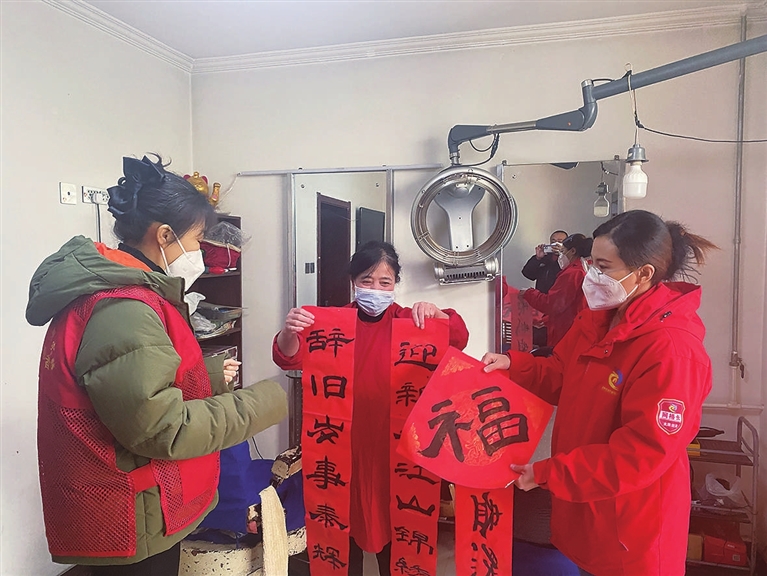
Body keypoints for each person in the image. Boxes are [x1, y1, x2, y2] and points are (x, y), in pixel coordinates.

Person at [26, 155, 288, 575]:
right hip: (131, 511)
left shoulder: (124, 291)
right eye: (198, 240)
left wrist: (206, 377)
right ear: (165, 235)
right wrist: (265, 401)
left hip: (133, 502)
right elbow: (162, 428)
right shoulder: (123, 308)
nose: (202, 253)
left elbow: (131, 384)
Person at [482, 210, 716, 576]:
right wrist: (512, 365)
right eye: (592, 263)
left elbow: (640, 454)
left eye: (603, 268)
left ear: (644, 274)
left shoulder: (670, 350)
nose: (591, 276)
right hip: (590, 516)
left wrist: (549, 473)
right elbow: (560, 373)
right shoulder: (599, 321)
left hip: (631, 532)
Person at [273, 241, 469, 576]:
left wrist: (439, 314)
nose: (375, 290)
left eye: (384, 282)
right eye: (367, 280)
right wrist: (289, 331)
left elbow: (458, 338)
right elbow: (288, 357)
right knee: (340, 521)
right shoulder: (332, 323)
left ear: (395, 284)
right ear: (353, 281)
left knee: (398, 524)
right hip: (342, 445)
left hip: (396, 448)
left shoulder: (410, 321)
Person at [521, 233, 592, 347]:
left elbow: (552, 304)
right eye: (553, 241)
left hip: (566, 328)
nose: (556, 246)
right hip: (565, 320)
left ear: (572, 251)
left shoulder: (573, 273)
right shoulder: (584, 268)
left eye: (563, 250)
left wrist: (529, 293)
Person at [521, 229, 568, 294]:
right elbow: (528, 274)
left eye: (559, 242)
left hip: (560, 296)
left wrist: (563, 255)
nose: (555, 244)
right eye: (553, 241)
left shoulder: (569, 259)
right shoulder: (544, 257)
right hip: (541, 296)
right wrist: (537, 258)